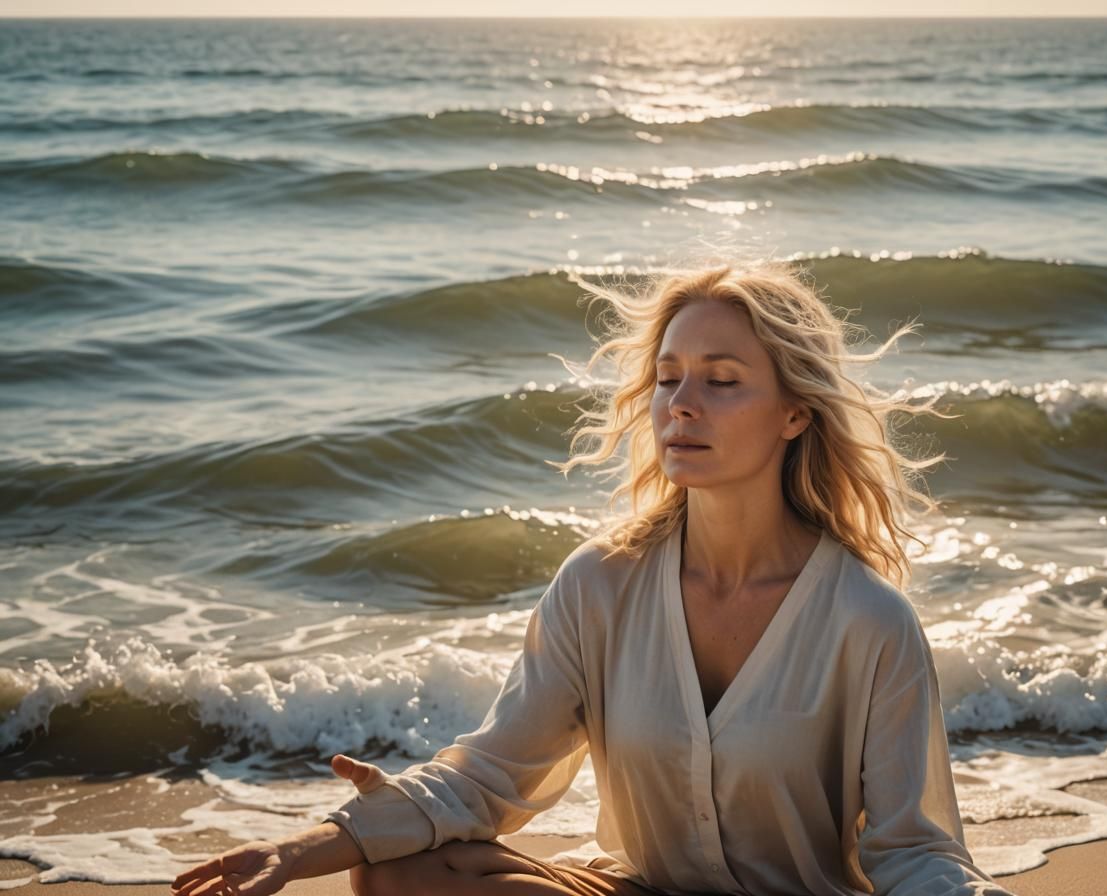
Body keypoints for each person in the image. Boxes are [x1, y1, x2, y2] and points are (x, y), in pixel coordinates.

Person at [171, 262, 1014, 896]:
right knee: (403, 874)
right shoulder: (599, 585)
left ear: (796, 413)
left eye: (722, 382)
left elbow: (915, 851)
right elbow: (487, 777)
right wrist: (302, 848)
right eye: (668, 378)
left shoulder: (868, 619)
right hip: (630, 893)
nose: (682, 404)